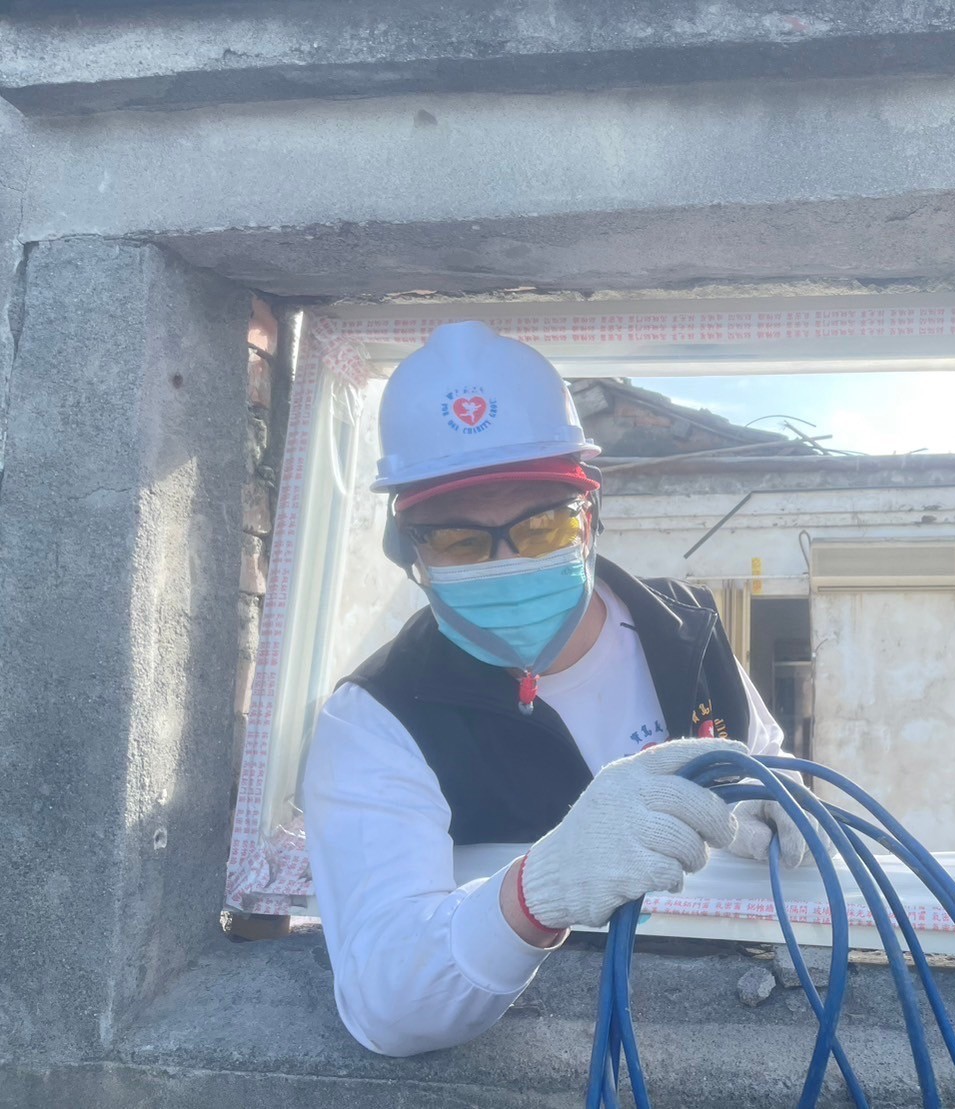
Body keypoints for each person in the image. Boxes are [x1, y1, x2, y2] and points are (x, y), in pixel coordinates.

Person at [302, 322, 808, 1057]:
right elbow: (389, 1004)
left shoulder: (687, 631)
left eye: (541, 526)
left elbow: (765, 756)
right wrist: (537, 892)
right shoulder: (377, 721)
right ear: (407, 550)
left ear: (590, 515)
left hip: (728, 1025)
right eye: (459, 541)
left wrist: (775, 794)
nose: (507, 562)